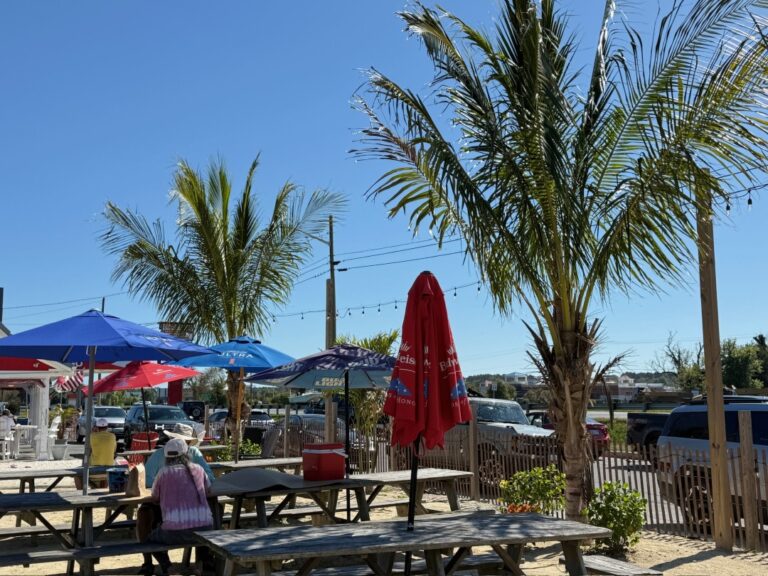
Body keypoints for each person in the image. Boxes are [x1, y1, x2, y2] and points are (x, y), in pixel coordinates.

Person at [137, 423, 217, 575]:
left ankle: (168, 567)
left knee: (149, 539)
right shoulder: (198, 468)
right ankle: (203, 562)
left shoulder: (163, 472)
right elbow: (209, 487)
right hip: (204, 527)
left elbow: (154, 496)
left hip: (173, 525)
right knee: (209, 516)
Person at [75, 417, 117, 489]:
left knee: (77, 474)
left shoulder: (92, 436)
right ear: (107, 427)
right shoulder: (113, 436)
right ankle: (101, 490)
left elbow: (88, 450)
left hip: (93, 470)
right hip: (109, 471)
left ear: (97, 427)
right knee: (104, 474)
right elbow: (114, 450)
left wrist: (92, 432)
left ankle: (80, 493)